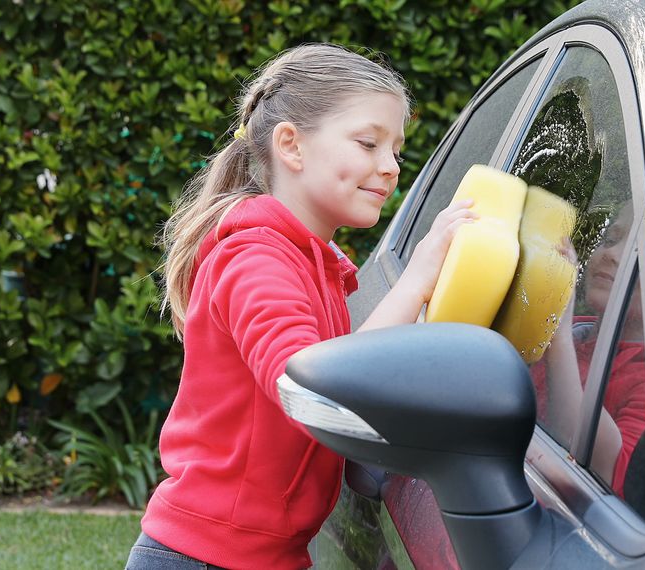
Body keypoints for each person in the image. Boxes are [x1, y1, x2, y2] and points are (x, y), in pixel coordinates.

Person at [125, 44, 477, 569]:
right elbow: (316, 392)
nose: (391, 167)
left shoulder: (310, 262)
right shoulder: (257, 259)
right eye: (368, 143)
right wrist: (419, 277)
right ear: (291, 145)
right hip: (208, 557)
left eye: (396, 151)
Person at [531, 204, 645, 497]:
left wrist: (558, 333)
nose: (611, 254)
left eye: (640, 249)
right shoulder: (573, 329)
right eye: (611, 239)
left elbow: (603, 476)